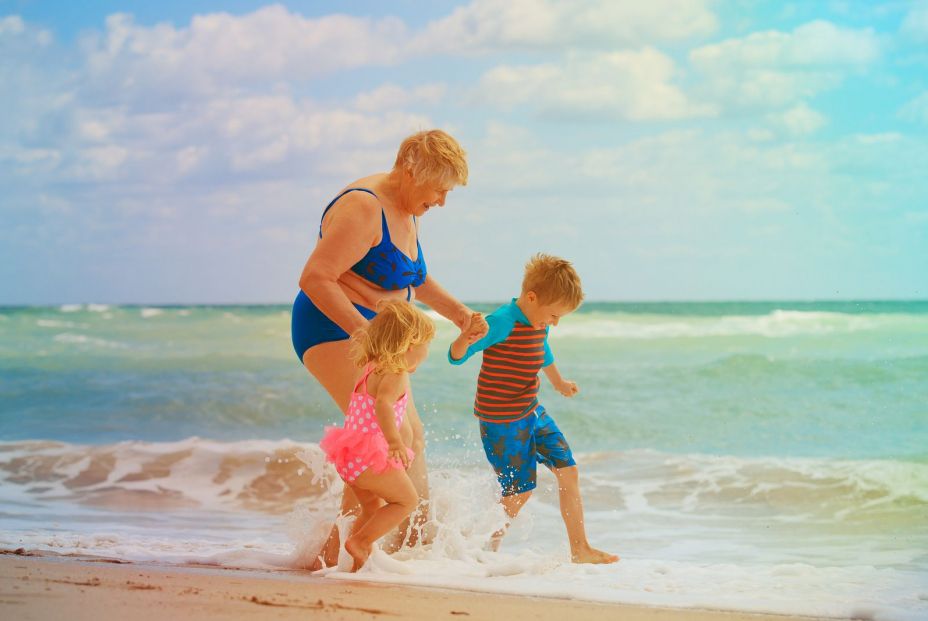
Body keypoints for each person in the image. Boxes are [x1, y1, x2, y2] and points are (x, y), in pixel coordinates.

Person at [293, 129, 488, 569]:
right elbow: (316, 277)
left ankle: (354, 551)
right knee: (384, 438)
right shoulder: (364, 207)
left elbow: (412, 277)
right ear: (409, 171)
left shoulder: (407, 207)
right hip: (332, 328)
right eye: (439, 188)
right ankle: (380, 547)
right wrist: (366, 334)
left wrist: (459, 314)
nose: (442, 201)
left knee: (404, 438)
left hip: (376, 339)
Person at [449, 254, 619, 564]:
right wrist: (464, 337)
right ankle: (478, 548)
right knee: (519, 493)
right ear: (531, 297)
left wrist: (558, 382)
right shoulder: (501, 322)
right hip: (500, 421)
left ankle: (580, 549)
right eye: (554, 315)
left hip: (530, 410)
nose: (554, 322)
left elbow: (543, 350)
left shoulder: (538, 321)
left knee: (568, 471)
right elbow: (456, 356)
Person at [319, 301, 434, 571]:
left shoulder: (372, 366)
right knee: (406, 500)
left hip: (349, 455)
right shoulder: (396, 372)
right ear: (410, 345)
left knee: (372, 509)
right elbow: (383, 405)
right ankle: (360, 543)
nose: (427, 353)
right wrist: (395, 442)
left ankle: (356, 557)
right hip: (369, 456)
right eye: (426, 345)